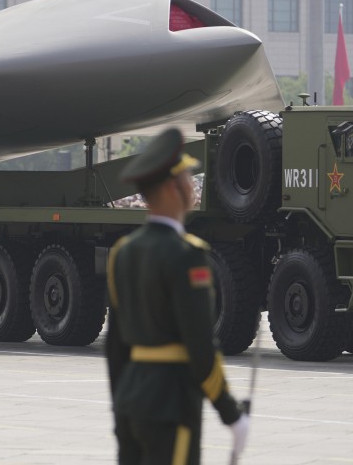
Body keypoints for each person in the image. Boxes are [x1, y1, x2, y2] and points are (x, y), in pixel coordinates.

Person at [106, 128, 249, 465]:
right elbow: (200, 347)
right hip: (171, 404)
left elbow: (115, 349)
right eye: (187, 176)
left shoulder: (123, 253)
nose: (191, 184)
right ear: (173, 187)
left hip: (131, 403)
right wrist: (230, 413)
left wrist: (120, 410)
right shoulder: (187, 255)